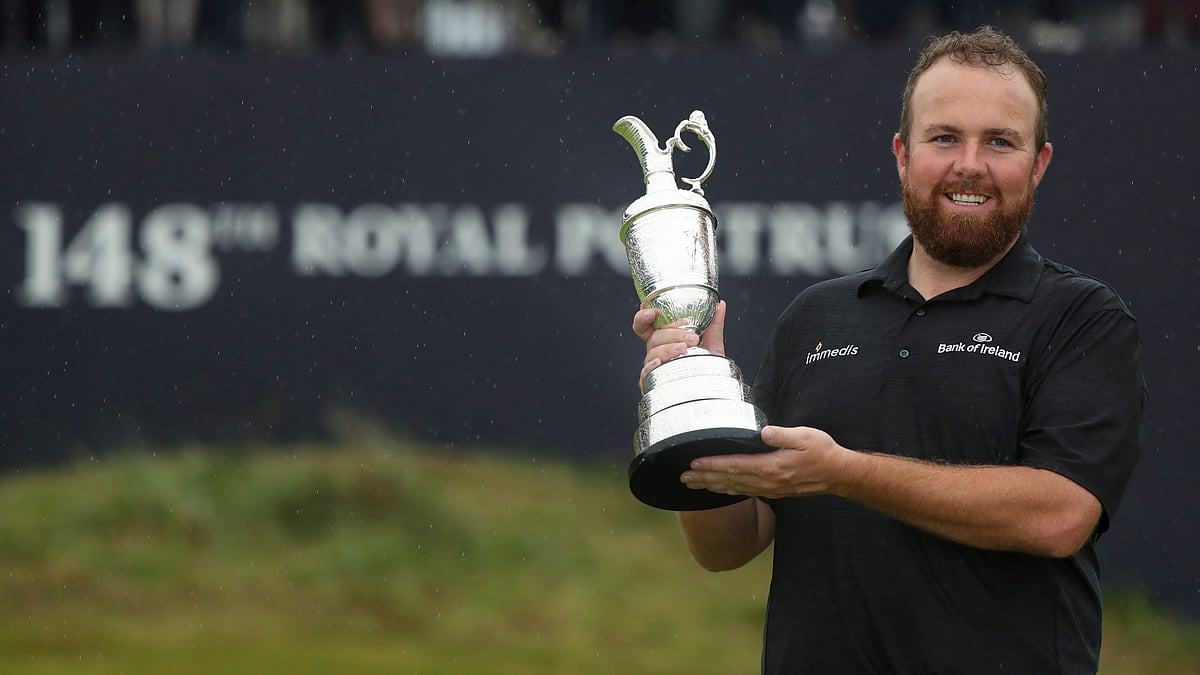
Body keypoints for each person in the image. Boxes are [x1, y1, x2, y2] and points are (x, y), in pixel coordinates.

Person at [632, 26, 1145, 674]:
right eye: (944, 137)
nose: (970, 163)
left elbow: (1058, 515)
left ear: (1038, 163)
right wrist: (693, 412)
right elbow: (729, 545)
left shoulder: (1081, 318)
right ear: (903, 154)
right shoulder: (816, 317)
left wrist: (844, 472)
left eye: (1000, 141)